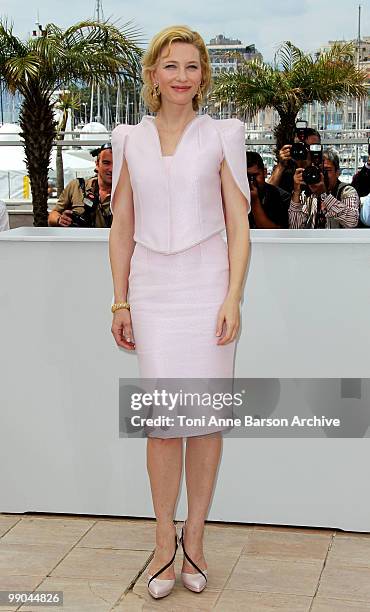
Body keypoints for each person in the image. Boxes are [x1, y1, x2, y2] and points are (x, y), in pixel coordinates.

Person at [109, 25, 250, 600]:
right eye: (172, 66)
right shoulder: (127, 139)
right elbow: (121, 225)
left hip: (207, 283)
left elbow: (239, 225)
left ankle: (196, 539)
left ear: (203, 76)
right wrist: (119, 297)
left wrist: (233, 296)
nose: (182, 77)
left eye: (192, 67)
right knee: (164, 425)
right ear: (153, 74)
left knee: (207, 419)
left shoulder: (224, 135)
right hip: (152, 287)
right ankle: (164, 543)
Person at [289, 148, 359, 229]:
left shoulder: (347, 191)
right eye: (319, 171)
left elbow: (352, 221)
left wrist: (324, 195)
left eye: (327, 170)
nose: (322, 175)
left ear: (337, 172)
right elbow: (295, 227)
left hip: (338, 240)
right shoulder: (307, 194)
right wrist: (296, 191)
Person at [48, 144, 113, 227]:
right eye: (106, 163)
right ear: (97, 164)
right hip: (78, 239)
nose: (111, 169)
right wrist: (60, 219)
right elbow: (52, 215)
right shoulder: (76, 186)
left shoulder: (127, 194)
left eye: (116, 164)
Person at [269, 127, 321, 193]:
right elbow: (267, 195)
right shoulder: (286, 172)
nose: (308, 151)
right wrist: (281, 166)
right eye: (303, 147)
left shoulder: (324, 169)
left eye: (314, 147)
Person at [247, 151, 290, 228]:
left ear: (265, 172)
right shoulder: (234, 195)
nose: (252, 181)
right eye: (247, 176)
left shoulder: (278, 195)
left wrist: (254, 200)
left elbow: (274, 231)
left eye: (255, 175)